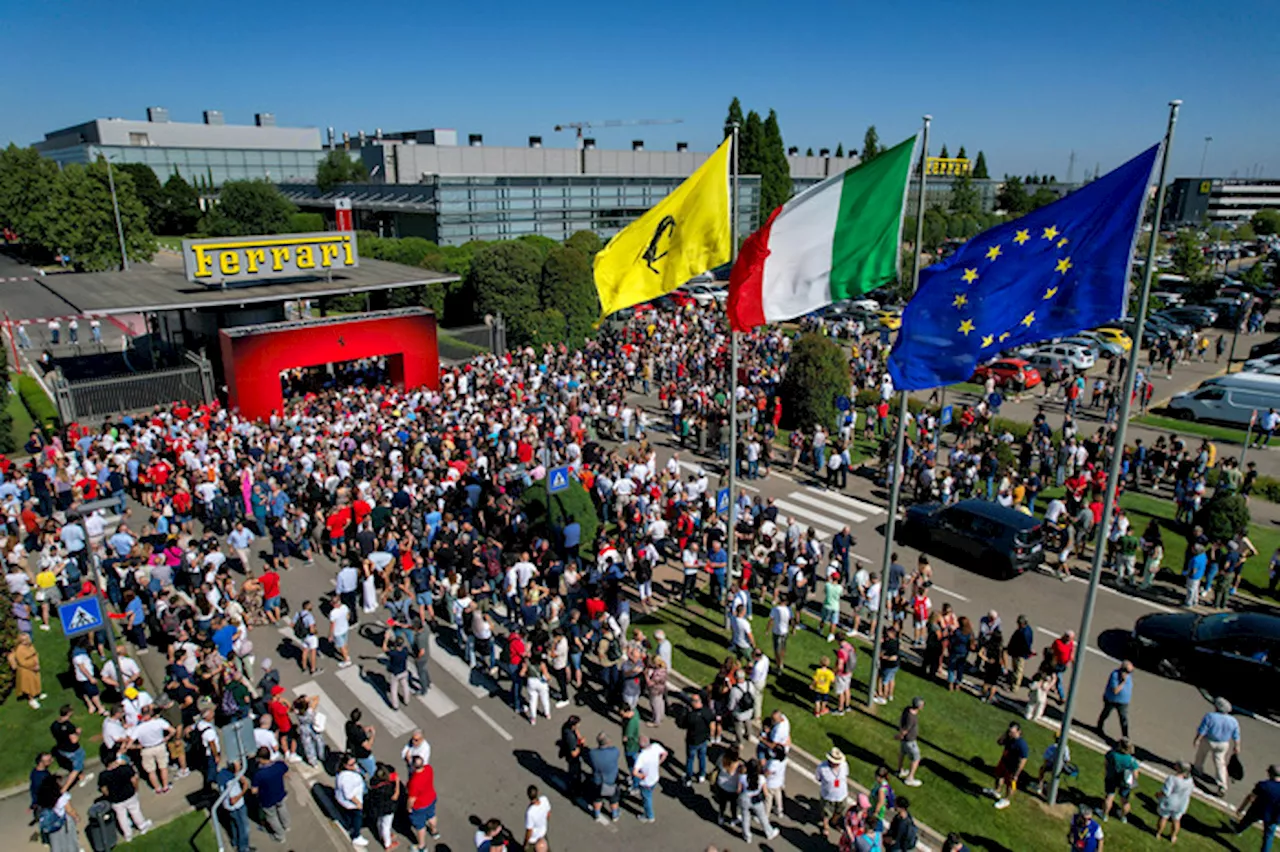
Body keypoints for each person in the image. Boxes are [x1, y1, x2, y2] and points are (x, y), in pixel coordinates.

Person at [98, 747, 151, 841]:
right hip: (129, 795)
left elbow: (104, 789)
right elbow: (134, 779)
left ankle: (128, 834)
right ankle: (142, 826)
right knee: (135, 811)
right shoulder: (125, 768)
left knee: (121, 816)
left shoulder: (103, 775)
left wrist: (109, 796)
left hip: (116, 800)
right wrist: (136, 789)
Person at [1193, 696, 1241, 796]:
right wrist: (1237, 746)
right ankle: (1222, 784)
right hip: (1223, 744)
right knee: (1220, 763)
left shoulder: (1210, 716)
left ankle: (1197, 770)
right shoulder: (1233, 721)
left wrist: (1197, 739)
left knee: (1201, 756)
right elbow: (1236, 735)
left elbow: (1203, 729)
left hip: (1209, 741)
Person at [250, 746, 292, 844]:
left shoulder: (259, 774)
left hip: (267, 800)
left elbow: (254, 791)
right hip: (280, 793)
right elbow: (286, 772)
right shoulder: (279, 765)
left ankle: (280, 835)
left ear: (260, 758)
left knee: (272, 817)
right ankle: (286, 825)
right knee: (282, 809)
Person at [983, 722, 1028, 810]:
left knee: (1010, 784)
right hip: (1004, 762)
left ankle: (1006, 800)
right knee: (998, 776)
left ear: (1018, 732)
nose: (1010, 734)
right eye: (1009, 732)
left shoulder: (1022, 745)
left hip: (1012, 767)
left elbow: (1023, 760)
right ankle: (996, 791)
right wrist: (1005, 735)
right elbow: (999, 742)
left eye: (1012, 732)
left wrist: (1016, 774)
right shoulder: (1009, 738)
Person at [1235, 765, 1280, 850]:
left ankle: (1238, 830)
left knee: (1246, 821)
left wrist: (1241, 809)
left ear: (1270, 774)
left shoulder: (1263, 785)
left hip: (1258, 810)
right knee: (1268, 837)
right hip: (1273, 817)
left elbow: (1250, 797)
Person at [1101, 738, 1139, 823]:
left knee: (1109, 797)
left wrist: (1107, 772)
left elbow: (1106, 764)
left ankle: (1105, 815)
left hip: (1111, 778)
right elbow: (1136, 774)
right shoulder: (1131, 760)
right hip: (1125, 782)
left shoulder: (1112, 754)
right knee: (1125, 800)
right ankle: (1123, 817)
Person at [335, 753, 369, 847]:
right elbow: (348, 794)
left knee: (350, 817)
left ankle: (350, 827)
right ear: (345, 765)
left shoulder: (348, 770)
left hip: (349, 801)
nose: (354, 765)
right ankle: (356, 836)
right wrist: (358, 803)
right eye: (351, 764)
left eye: (354, 763)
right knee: (357, 818)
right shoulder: (345, 778)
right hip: (352, 803)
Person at [218, 760, 253, 852]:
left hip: (227, 807)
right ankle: (243, 848)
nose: (241, 766)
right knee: (243, 828)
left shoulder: (222, 773)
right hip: (237, 807)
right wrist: (244, 789)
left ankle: (235, 842)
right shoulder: (231, 782)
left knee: (234, 825)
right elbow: (233, 800)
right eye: (239, 765)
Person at [1155, 760, 1194, 844]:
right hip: (1181, 804)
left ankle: (1158, 833)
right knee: (1176, 820)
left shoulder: (1172, 779)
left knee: (1163, 817)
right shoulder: (1190, 781)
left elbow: (1166, 792)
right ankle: (1173, 836)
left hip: (1170, 802)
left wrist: (1158, 794)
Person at [1096, 660, 1134, 741]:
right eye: (1127, 671)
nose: (1129, 673)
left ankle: (1125, 736)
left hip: (1123, 702)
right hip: (1112, 700)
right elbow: (1115, 690)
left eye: (1130, 671)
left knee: (1123, 719)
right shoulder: (1115, 675)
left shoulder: (1129, 676)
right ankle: (1099, 728)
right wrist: (1123, 682)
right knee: (1105, 714)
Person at [364, 763, 400, 851]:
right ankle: (388, 844)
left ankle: (382, 835)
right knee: (386, 825)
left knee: (380, 822)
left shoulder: (374, 782)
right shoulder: (387, 788)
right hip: (387, 808)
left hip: (377, 807)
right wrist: (397, 783)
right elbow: (395, 796)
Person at [588, 732, 622, 823]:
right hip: (611, 781)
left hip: (598, 781)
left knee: (597, 799)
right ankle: (615, 815)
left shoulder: (592, 753)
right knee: (613, 800)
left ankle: (597, 814)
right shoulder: (614, 751)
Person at [632, 736, 667, 824]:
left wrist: (642, 776)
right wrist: (659, 762)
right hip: (655, 777)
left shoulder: (642, 756)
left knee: (647, 798)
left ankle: (649, 816)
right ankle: (646, 807)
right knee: (648, 795)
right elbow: (665, 753)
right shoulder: (655, 746)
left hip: (646, 782)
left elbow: (635, 772)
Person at [816, 747, 850, 837]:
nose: (837, 764)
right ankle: (826, 826)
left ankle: (834, 822)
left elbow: (846, 775)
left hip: (842, 795)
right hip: (828, 796)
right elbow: (818, 778)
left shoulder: (844, 765)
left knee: (840, 810)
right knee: (826, 812)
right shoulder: (822, 767)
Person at [407, 755, 439, 845]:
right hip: (431, 798)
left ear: (413, 766)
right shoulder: (429, 769)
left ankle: (422, 846)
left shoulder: (414, 781)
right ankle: (434, 831)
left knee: (420, 826)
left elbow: (412, 798)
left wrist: (409, 807)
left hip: (419, 806)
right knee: (432, 816)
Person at [682, 692, 713, 784]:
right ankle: (702, 775)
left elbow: (683, 725)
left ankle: (688, 778)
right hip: (703, 740)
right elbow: (712, 724)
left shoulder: (691, 715)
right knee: (702, 757)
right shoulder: (707, 712)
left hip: (692, 741)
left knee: (690, 759)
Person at [9, 633, 44, 709]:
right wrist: (32, 667)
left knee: (36, 681)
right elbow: (22, 662)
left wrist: (37, 663)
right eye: (23, 640)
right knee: (29, 685)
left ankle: (37, 693)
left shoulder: (30, 646)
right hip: (26, 670)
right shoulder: (20, 649)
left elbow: (35, 654)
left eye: (26, 639)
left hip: (34, 666)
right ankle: (31, 699)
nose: (26, 641)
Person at [896, 697, 924, 787]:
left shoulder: (907, 709)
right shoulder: (912, 718)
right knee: (916, 758)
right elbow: (906, 729)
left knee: (902, 753)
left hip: (905, 740)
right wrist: (900, 736)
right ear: (918, 706)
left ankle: (899, 770)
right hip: (910, 741)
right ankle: (910, 778)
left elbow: (901, 721)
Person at [524, 784, 551, 849]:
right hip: (543, 832)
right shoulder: (544, 800)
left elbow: (529, 830)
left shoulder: (530, 812)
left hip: (533, 838)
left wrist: (526, 842)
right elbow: (548, 813)